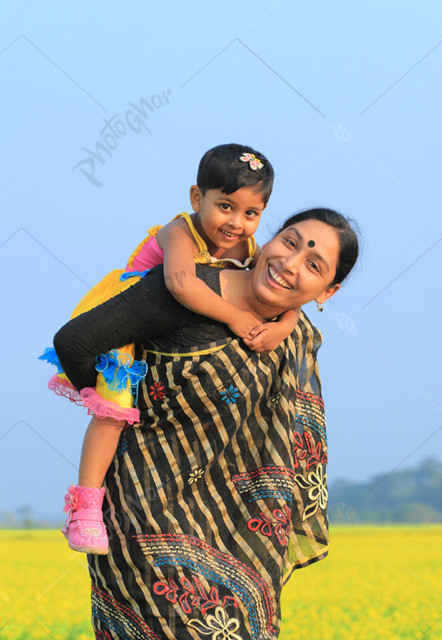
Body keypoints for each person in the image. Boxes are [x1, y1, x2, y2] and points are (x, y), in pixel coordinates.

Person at [51, 209, 359, 640]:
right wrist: (112, 400)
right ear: (270, 240)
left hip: (245, 536)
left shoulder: (295, 332)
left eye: (313, 264)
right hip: (144, 524)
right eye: (290, 242)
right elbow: (74, 342)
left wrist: (286, 321)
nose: (290, 263)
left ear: (328, 290)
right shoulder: (181, 290)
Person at [40, 143, 302, 554]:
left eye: (250, 214)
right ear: (197, 198)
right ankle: (85, 508)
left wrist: (285, 326)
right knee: (112, 411)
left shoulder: (246, 250)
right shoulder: (179, 230)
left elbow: (277, 296)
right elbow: (180, 283)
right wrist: (234, 318)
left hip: (170, 340)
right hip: (129, 321)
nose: (236, 223)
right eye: (225, 206)